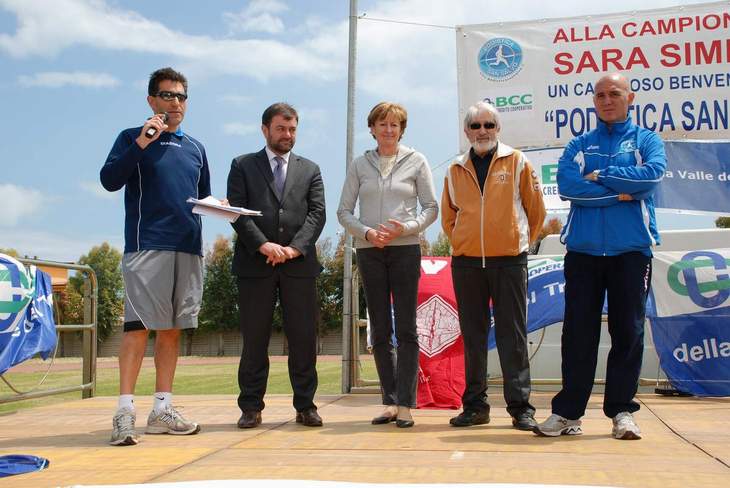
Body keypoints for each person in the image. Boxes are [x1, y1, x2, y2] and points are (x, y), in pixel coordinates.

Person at [534, 73, 666, 440]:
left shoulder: (647, 140)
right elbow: (568, 186)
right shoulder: (579, 143)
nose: (607, 100)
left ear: (630, 97)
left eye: (614, 93)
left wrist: (601, 175)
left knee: (629, 331)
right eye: (600, 95)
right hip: (583, 251)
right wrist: (620, 193)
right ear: (594, 101)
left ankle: (622, 411)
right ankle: (568, 414)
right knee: (579, 334)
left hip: (631, 252)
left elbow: (650, 178)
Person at [100, 67, 208, 446]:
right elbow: (110, 179)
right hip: (147, 246)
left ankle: (162, 410)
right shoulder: (131, 138)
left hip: (188, 248)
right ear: (151, 101)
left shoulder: (196, 148)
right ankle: (124, 413)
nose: (174, 102)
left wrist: (220, 207)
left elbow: (203, 199)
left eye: (180, 96)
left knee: (172, 330)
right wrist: (143, 143)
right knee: (137, 328)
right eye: (166, 95)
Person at [441, 101, 546, 431]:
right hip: (467, 263)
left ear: (498, 128)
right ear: (466, 132)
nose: (482, 131)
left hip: (509, 261)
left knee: (511, 335)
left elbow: (536, 210)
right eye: (476, 126)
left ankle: (520, 408)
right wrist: (462, 241)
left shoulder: (517, 160)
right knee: (472, 337)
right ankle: (475, 406)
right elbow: (448, 217)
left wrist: (518, 241)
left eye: (488, 125)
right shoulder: (455, 168)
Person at [337, 102, 438, 428]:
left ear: (402, 129)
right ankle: (390, 401)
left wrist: (405, 228)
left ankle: (407, 404)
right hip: (370, 252)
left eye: (395, 125)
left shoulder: (417, 160)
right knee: (380, 330)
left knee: (406, 329)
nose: (389, 130)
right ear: (372, 128)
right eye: (383, 124)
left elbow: (431, 208)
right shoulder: (359, 165)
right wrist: (366, 232)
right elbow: (343, 211)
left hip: (405, 250)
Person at [227, 103, 326, 429]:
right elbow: (238, 212)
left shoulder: (310, 169)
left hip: (299, 267)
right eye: (282, 128)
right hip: (255, 265)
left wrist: (295, 249)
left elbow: (317, 214)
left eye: (293, 129)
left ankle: (305, 406)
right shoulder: (242, 165)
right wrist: (263, 245)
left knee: (303, 339)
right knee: (255, 340)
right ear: (265, 129)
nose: (288, 135)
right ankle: (251, 407)